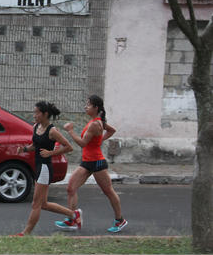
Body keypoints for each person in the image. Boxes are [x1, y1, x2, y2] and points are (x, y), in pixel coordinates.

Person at [56, 94, 127, 233]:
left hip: (97, 163)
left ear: (96, 107)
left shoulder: (95, 124)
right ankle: (72, 219)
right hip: (87, 162)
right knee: (71, 188)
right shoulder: (97, 121)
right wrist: (100, 141)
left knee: (108, 192)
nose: (85, 107)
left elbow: (82, 143)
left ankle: (120, 220)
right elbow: (111, 131)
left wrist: (70, 131)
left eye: (88, 105)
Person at [12, 101, 81, 236]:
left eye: (37, 112)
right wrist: (24, 149)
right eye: (34, 112)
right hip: (38, 166)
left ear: (45, 114)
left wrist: (51, 153)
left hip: (45, 168)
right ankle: (74, 214)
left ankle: (25, 233)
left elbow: (68, 147)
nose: (34, 115)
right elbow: (35, 145)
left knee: (36, 204)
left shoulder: (52, 131)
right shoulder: (36, 127)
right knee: (43, 204)